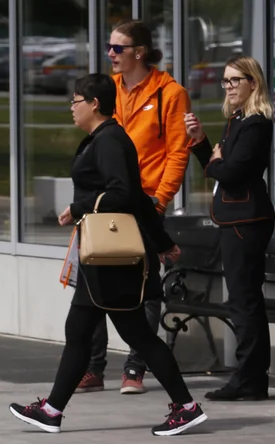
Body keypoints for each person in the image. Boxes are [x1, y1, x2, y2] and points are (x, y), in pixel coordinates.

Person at [8, 74, 207, 436]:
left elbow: (125, 193)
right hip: (101, 258)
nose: (71, 107)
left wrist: (78, 206)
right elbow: (138, 199)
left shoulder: (110, 140)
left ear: (94, 103)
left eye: (75, 100)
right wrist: (163, 243)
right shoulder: (103, 139)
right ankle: (52, 409)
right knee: (83, 331)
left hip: (113, 259)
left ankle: (187, 406)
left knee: (134, 336)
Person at [77, 19, 192, 395]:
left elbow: (177, 151)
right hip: (108, 204)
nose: (110, 54)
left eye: (117, 48)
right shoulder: (108, 91)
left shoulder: (168, 93)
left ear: (138, 52)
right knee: (90, 279)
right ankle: (92, 368)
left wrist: (159, 199)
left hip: (143, 204)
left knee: (142, 285)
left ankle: (134, 367)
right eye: (109, 47)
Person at [184, 55, 275, 401]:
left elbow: (232, 173)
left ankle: (249, 377)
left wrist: (219, 161)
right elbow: (219, 166)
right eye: (225, 81)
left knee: (244, 302)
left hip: (246, 221)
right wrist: (202, 142)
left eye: (236, 80)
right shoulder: (236, 120)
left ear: (254, 82)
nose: (229, 87)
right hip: (236, 219)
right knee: (242, 300)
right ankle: (250, 378)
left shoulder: (255, 123)